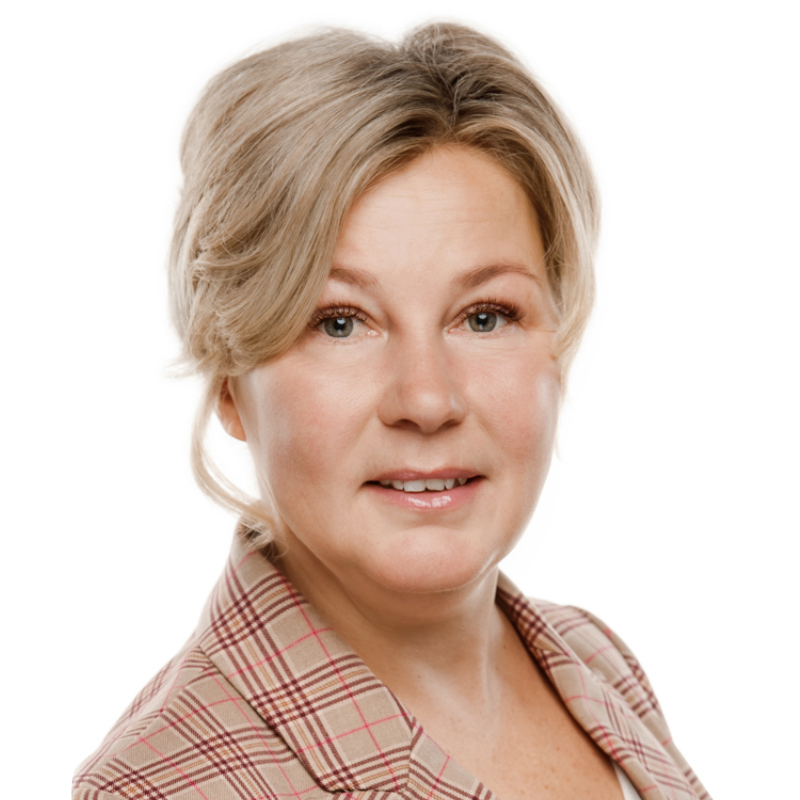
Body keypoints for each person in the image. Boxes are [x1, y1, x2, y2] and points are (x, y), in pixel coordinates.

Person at [73, 22, 710, 800]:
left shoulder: (598, 663)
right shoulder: (164, 787)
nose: (428, 400)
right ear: (230, 382)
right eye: (340, 323)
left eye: (485, 317)